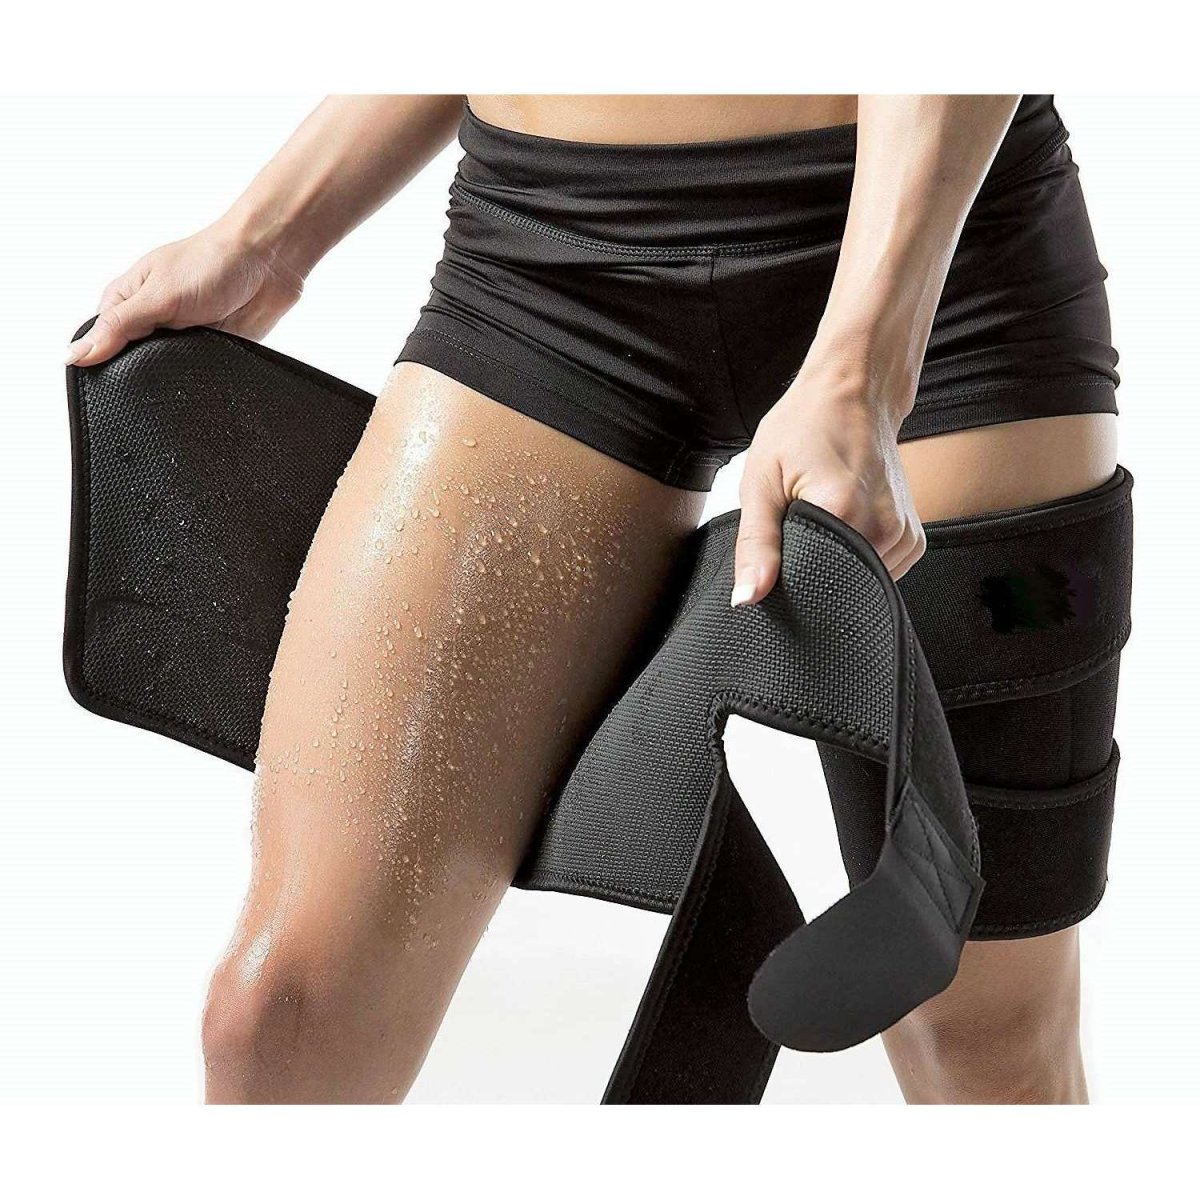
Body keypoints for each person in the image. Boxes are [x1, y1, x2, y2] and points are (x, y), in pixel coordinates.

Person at [70, 95, 1120, 1104]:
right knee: (279, 1018)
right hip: (550, 264)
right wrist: (268, 237)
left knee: (986, 1048)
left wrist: (862, 368)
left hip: (940, 257)